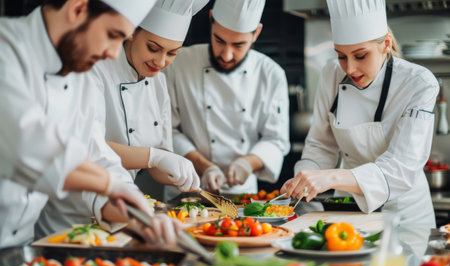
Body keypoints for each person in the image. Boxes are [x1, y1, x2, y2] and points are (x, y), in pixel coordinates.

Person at [0, 0, 180, 248]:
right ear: (77, 9)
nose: (114, 53)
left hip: (22, 246)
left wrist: (137, 214)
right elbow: (30, 147)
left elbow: (96, 154)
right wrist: (111, 185)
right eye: (112, 35)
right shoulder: (5, 50)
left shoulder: (79, 77)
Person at [36, 0, 209, 238]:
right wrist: (154, 157)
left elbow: (154, 163)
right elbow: (86, 148)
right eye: (153, 48)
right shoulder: (92, 66)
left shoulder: (158, 83)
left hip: (118, 209)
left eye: (172, 53)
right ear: (132, 33)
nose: (160, 62)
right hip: (68, 214)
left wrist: (180, 171)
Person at [281, 0, 439, 228]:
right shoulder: (331, 75)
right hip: (351, 213)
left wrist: (330, 178)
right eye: (341, 56)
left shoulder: (419, 83)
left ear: (386, 44)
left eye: (361, 56)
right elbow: (321, 145)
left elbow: (400, 168)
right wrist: (306, 178)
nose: (350, 68)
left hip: (407, 215)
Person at [164, 0, 290, 199]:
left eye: (239, 44)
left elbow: (275, 139)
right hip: (186, 188)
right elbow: (167, 130)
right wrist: (205, 167)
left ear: (256, 33)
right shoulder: (179, 64)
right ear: (211, 19)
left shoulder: (271, 74)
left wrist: (247, 163)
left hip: (243, 195)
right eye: (219, 40)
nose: (226, 55)